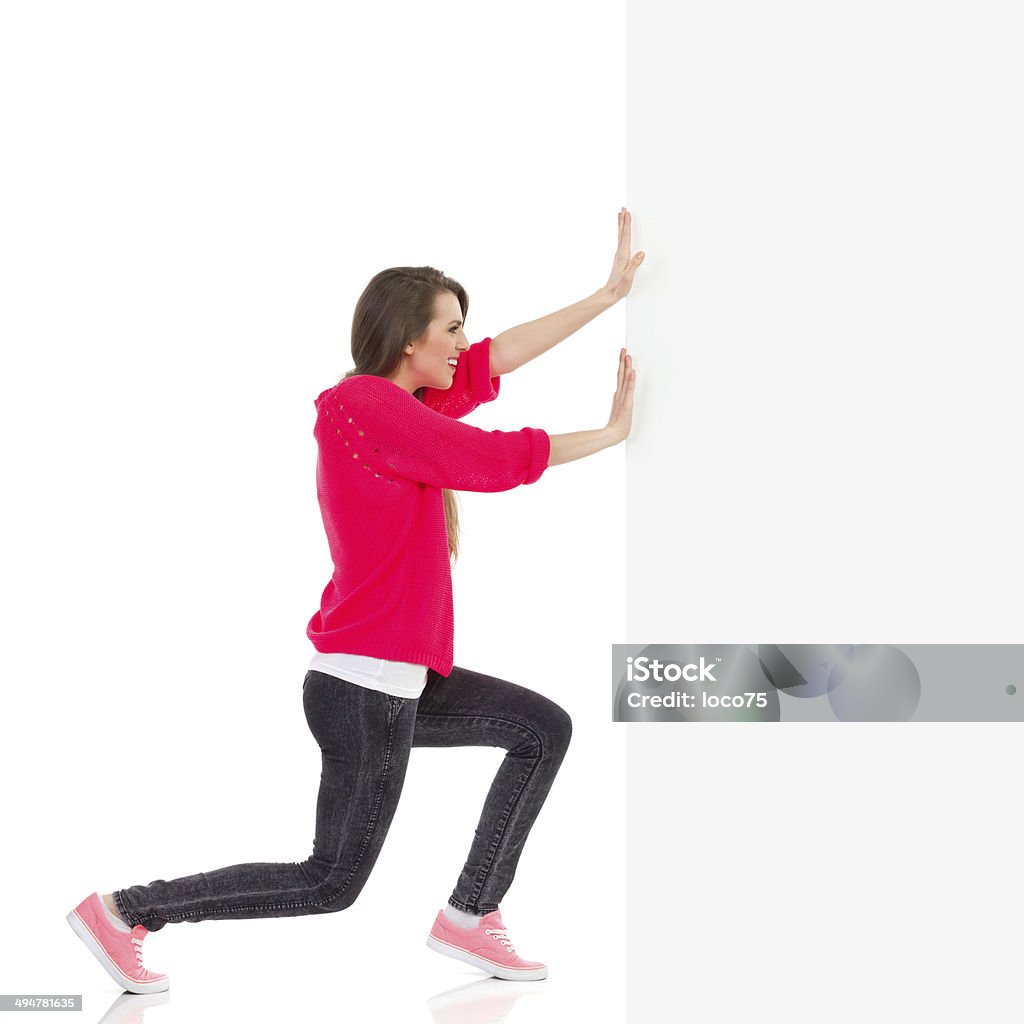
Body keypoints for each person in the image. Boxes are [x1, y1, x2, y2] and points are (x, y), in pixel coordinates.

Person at [67, 208, 644, 992]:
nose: (462, 343)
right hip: (365, 690)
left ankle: (470, 916)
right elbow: (496, 458)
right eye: (450, 327)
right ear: (412, 339)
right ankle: (127, 910)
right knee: (328, 882)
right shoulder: (370, 410)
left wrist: (607, 295)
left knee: (541, 728)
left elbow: (493, 361)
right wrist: (609, 436)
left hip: (393, 682)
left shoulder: (397, 412)